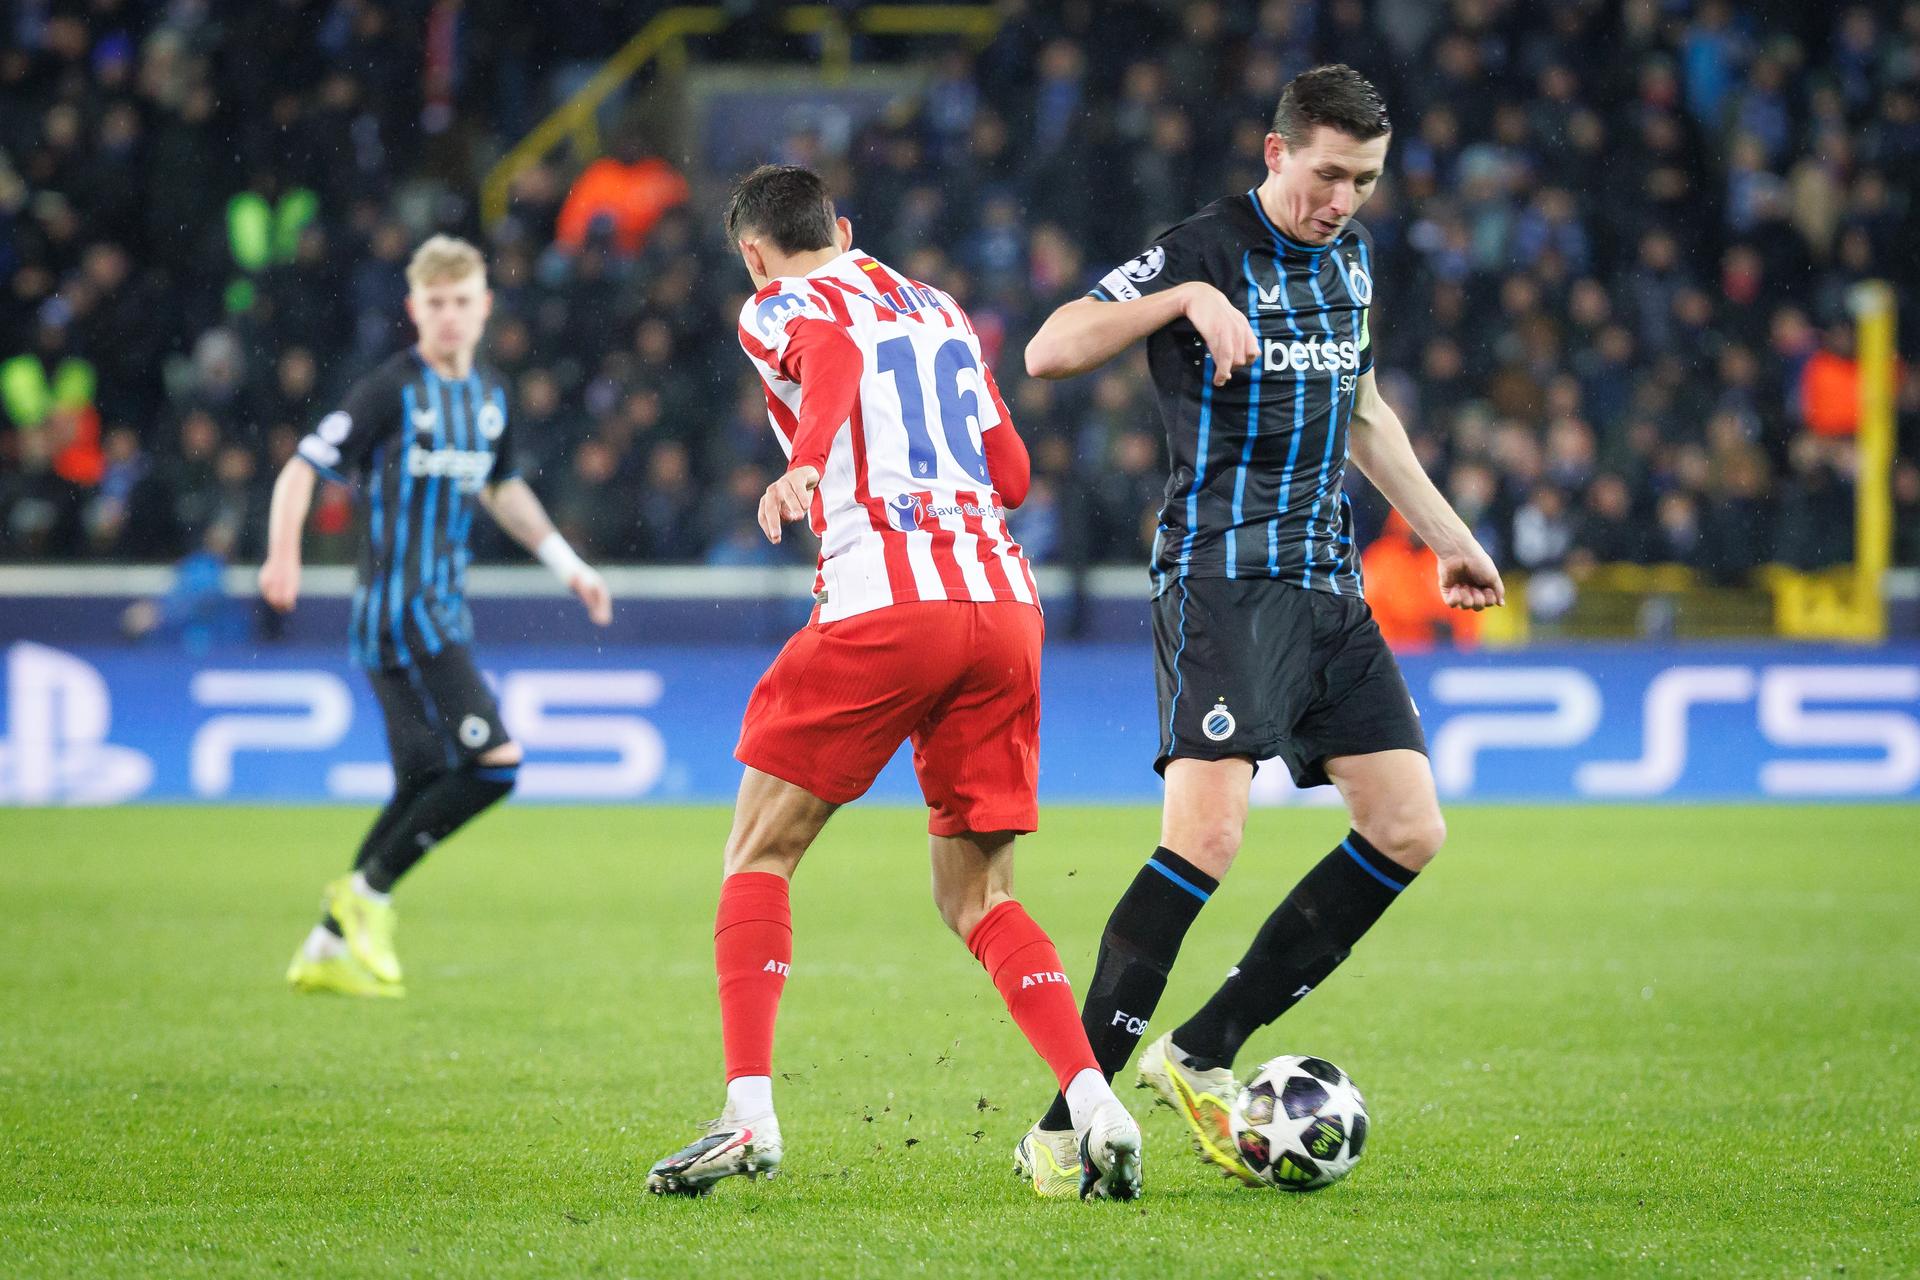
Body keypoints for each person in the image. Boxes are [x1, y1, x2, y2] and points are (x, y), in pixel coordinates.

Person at [1016, 65, 1504, 1193]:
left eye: (1366, 181)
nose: (1343, 198)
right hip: (1221, 581)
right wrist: (1179, 302)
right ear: (1276, 152)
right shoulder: (1205, 245)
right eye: (1328, 173)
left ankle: (1199, 1049)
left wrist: (1444, 534)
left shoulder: (1352, 258)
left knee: (1407, 824)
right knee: (1209, 838)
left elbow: (1366, 410)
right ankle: (1062, 1123)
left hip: (1327, 585)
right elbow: (1049, 347)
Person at [645, 165, 1141, 1200]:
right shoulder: (942, 305)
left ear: (753, 250)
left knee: (759, 850)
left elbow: (823, 356)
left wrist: (808, 458)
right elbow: (1011, 477)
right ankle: (1093, 1101)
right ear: (847, 228)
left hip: (884, 601)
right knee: (980, 894)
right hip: (1004, 609)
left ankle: (748, 1110)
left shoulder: (778, 302)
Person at [260, 235, 613, 998]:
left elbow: (504, 489)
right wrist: (281, 556)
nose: (449, 316)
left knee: (423, 776)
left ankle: (325, 947)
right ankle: (366, 896)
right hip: (402, 616)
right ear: (414, 310)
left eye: (462, 302)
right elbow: (301, 469)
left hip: (439, 612)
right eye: (435, 304)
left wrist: (571, 567)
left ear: (484, 308)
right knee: (495, 765)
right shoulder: (392, 389)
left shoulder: (487, 397)